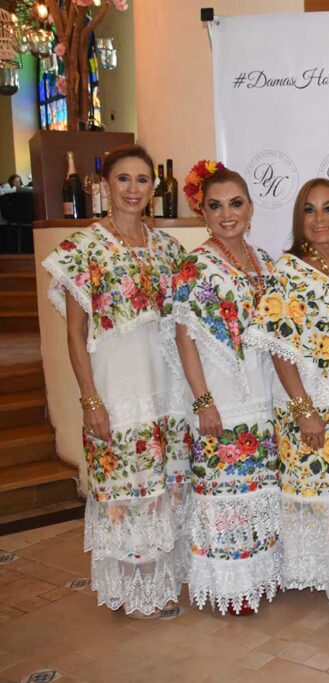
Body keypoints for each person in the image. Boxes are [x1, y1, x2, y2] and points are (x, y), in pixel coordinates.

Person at [41, 144, 189, 617]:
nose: (133, 189)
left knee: (165, 482)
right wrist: (89, 399)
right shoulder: (83, 248)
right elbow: (74, 331)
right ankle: (133, 589)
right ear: (107, 185)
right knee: (125, 486)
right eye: (123, 179)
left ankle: (164, 580)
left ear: (153, 187)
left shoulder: (167, 248)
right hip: (115, 383)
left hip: (164, 383)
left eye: (142, 180)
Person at [244, 177, 329, 626]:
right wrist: (305, 410)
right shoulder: (289, 271)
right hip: (313, 400)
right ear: (298, 218)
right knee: (328, 491)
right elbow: (280, 347)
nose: (319, 219)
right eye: (309, 210)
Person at [168, 161, 281, 615]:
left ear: (251, 209)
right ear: (203, 213)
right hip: (222, 396)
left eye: (236, 203)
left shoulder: (264, 261)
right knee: (225, 492)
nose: (227, 213)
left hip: (263, 392)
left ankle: (259, 575)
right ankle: (231, 585)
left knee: (257, 489)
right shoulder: (195, 266)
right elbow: (185, 336)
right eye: (216, 206)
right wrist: (204, 402)